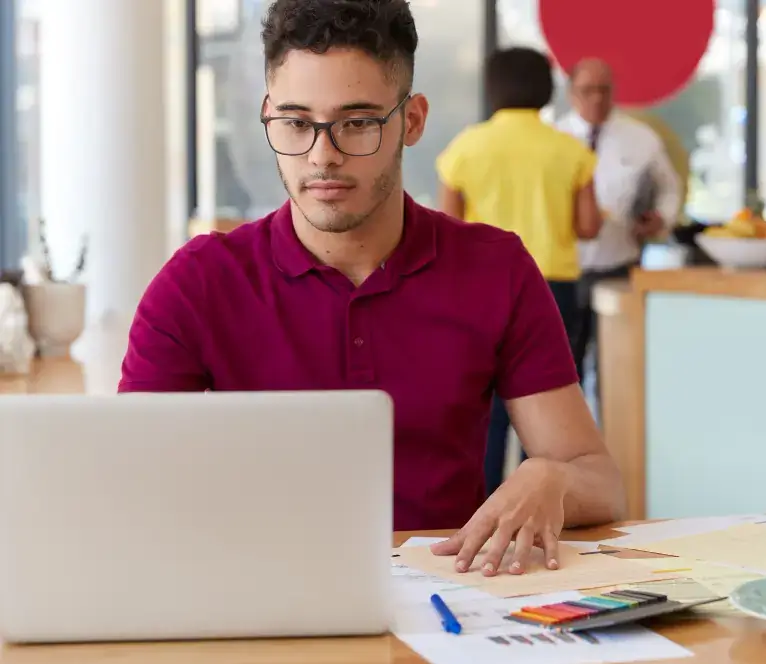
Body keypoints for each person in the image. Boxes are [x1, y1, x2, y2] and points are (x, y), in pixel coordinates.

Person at [118, 0, 623, 576]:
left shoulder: (496, 268)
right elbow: (131, 485)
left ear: (411, 120)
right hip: (254, 592)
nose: (322, 156)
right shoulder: (196, 283)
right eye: (296, 122)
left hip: (449, 602)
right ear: (267, 116)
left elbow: (601, 483)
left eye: (357, 121)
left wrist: (552, 477)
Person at [435, 47, 603, 498]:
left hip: (477, 290)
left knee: (485, 409)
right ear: (547, 90)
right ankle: (538, 507)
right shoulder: (570, 150)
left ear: (492, 89)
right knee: (550, 412)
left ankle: (477, 510)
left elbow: (446, 226)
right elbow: (588, 226)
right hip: (554, 286)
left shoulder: (465, 148)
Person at [554, 58, 681, 403]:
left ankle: (615, 448)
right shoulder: (554, 139)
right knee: (563, 372)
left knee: (618, 369)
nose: (596, 98)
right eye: (586, 90)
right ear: (570, 93)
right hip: (564, 270)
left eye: (603, 90)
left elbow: (669, 188)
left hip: (618, 265)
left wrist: (662, 218)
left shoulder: (641, 139)